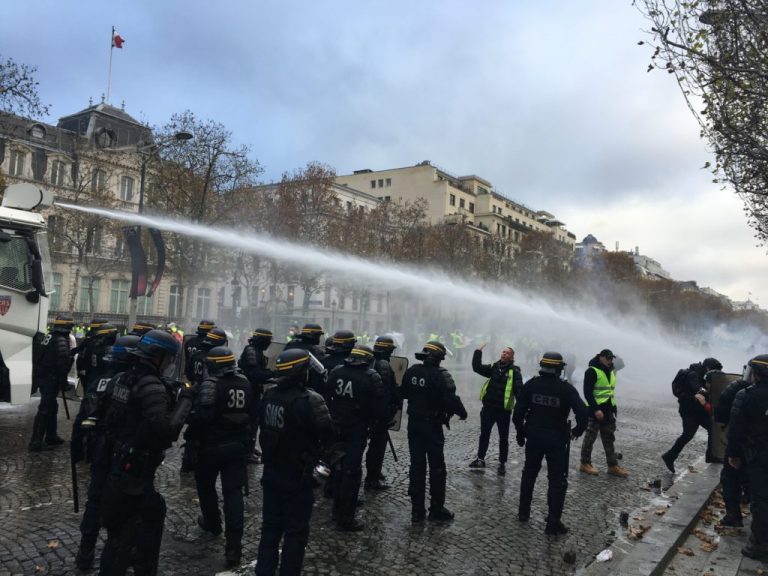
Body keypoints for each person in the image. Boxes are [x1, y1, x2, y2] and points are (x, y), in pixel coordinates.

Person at [98, 329, 194, 575]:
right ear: (157, 356)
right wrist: (186, 400)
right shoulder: (151, 385)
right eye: (169, 359)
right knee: (136, 528)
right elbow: (166, 431)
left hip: (117, 462)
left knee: (120, 530)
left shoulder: (121, 379)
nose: (170, 364)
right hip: (136, 469)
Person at [256, 348, 334, 576]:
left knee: (269, 528)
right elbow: (329, 436)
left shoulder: (269, 395)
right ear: (302, 372)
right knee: (295, 533)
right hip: (298, 477)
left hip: (271, 472)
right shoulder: (310, 400)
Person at [74, 334, 140, 570]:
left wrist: (76, 448)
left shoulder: (99, 380)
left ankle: (86, 551)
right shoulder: (133, 382)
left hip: (100, 449)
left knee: (95, 500)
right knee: (124, 506)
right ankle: (120, 554)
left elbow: (83, 418)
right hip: (122, 455)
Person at [192, 346, 257, 567]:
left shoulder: (210, 385)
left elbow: (203, 417)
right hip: (237, 446)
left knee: (206, 486)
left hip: (211, 446)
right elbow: (251, 412)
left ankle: (212, 523)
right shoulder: (245, 383)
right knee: (233, 494)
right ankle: (234, 547)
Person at [513, 352, 587, 535]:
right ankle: (553, 522)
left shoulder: (531, 385)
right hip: (556, 439)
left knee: (529, 473)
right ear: (559, 369)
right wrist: (577, 431)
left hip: (534, 436)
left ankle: (523, 513)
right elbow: (583, 413)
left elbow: (518, 413)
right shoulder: (566, 389)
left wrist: (521, 433)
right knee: (556, 480)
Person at [401, 341, 467, 523]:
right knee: (437, 467)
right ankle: (436, 509)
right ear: (438, 358)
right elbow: (451, 400)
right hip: (432, 426)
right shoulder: (441, 375)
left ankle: (417, 511)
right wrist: (462, 413)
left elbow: (403, 393)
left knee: (417, 465)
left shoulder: (412, 371)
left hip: (414, 424)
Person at [327, 345, 387, 530]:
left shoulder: (337, 372)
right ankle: (346, 517)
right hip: (357, 429)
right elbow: (379, 408)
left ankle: (336, 509)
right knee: (351, 472)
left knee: (337, 466)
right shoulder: (371, 377)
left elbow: (327, 395)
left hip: (336, 426)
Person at [726, 354, 768, 561]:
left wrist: (733, 455)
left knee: (761, 499)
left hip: (758, 456)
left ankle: (760, 544)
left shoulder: (746, 395)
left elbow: (736, 429)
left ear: (758, 374)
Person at [468, 343, 523, 475]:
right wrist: (478, 351)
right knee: (484, 435)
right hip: (488, 409)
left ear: (511, 357)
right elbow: (477, 368)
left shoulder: (515, 372)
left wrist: (522, 410)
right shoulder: (494, 367)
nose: (504, 354)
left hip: (503, 412)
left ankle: (502, 463)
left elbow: (519, 392)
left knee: (503, 438)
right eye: (503, 352)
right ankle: (480, 459)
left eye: (507, 353)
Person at [661, 357, 722, 473]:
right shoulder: (693, 374)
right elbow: (697, 389)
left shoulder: (704, 375)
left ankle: (711, 455)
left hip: (699, 410)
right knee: (688, 434)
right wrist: (708, 391)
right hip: (689, 411)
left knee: (713, 428)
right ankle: (669, 456)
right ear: (708, 368)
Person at [181, 327, 227, 473]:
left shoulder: (196, 354)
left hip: (195, 393)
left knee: (193, 426)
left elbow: (188, 372)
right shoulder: (214, 358)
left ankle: (188, 459)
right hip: (208, 396)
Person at [71, 324, 118, 463]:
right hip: (103, 389)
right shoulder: (110, 351)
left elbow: (81, 364)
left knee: (83, 419)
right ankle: (93, 454)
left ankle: (78, 451)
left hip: (92, 386)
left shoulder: (90, 345)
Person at [579, 349, 628, 477]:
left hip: (608, 410)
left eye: (612, 358)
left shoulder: (610, 371)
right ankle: (585, 463)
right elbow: (587, 393)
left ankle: (612, 466)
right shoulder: (592, 371)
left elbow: (609, 392)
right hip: (595, 411)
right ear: (600, 357)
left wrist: (613, 408)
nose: (610, 360)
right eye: (608, 358)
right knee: (590, 438)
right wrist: (596, 409)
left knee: (609, 439)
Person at [714, 364, 752, 527]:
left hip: (741, 445)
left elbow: (726, 419)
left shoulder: (741, 391)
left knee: (730, 478)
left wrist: (733, 452)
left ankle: (733, 516)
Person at [29, 317, 74, 452]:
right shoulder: (60, 340)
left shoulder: (48, 337)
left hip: (43, 377)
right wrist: (64, 382)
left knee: (52, 406)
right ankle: (36, 441)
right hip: (51, 379)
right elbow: (62, 363)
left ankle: (51, 436)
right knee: (45, 409)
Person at [365, 335, 402, 490]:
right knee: (377, 446)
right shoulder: (383, 365)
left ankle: (375, 472)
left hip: (369, 411)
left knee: (374, 445)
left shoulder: (370, 360)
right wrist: (386, 414)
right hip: (380, 413)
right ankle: (372, 479)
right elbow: (385, 393)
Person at [238, 328, 275, 463]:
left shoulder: (256, 351)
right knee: (251, 422)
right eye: (268, 341)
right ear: (262, 341)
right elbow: (255, 374)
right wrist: (272, 375)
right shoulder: (251, 352)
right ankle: (246, 452)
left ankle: (250, 447)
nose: (269, 343)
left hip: (253, 390)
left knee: (254, 421)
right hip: (249, 391)